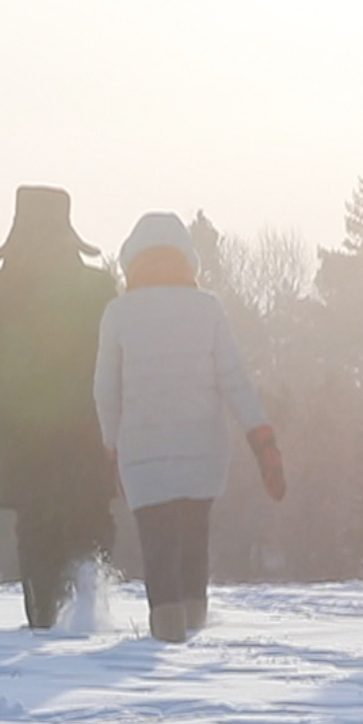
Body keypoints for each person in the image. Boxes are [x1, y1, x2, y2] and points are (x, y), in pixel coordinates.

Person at [94, 211, 285, 643]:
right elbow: (235, 380)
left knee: (157, 546)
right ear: (188, 259)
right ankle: (196, 632)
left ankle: (166, 630)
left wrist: (110, 443)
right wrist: (262, 439)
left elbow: (105, 388)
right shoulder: (208, 309)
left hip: (143, 456)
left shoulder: (118, 314)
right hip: (203, 452)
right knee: (194, 538)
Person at [0, 186, 118, 629]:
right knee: (89, 528)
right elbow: (115, 353)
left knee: (36, 535)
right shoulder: (98, 288)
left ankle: (44, 621)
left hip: (24, 440)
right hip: (86, 435)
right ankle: (90, 615)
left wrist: (21, 386)